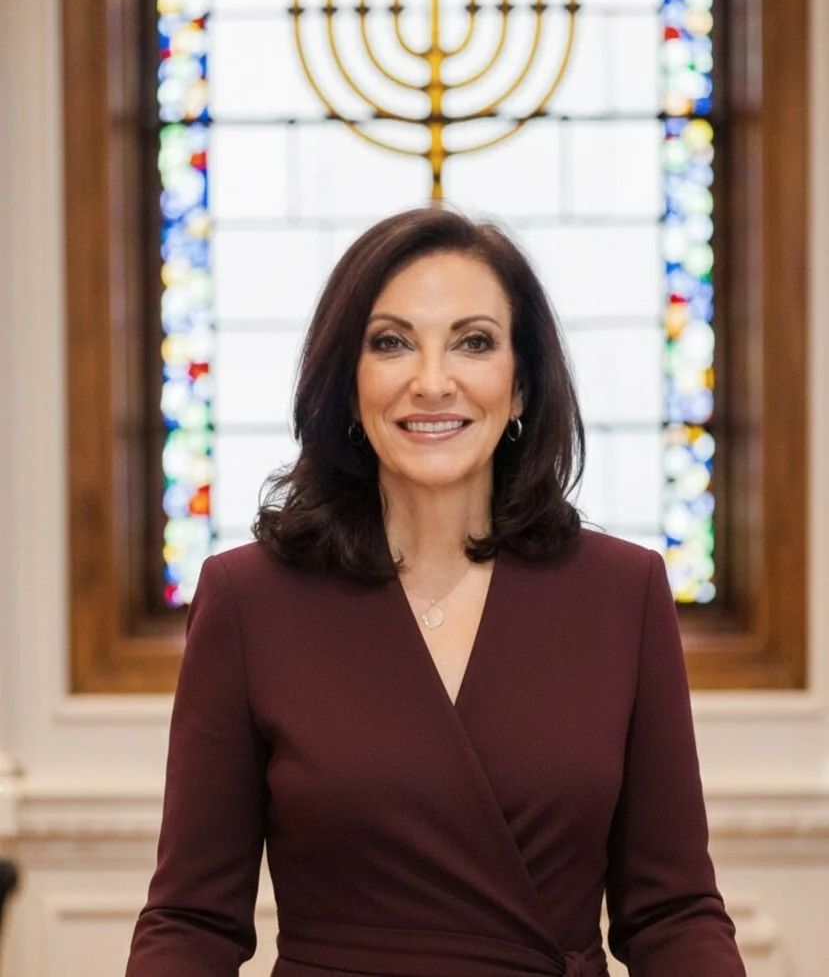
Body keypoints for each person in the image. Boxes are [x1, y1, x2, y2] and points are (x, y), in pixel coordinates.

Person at [125, 206, 745, 977]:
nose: (431, 381)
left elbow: (671, 912)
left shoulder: (623, 592)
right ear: (348, 387)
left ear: (520, 386)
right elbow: (192, 921)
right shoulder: (248, 599)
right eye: (391, 343)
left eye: (472, 342)